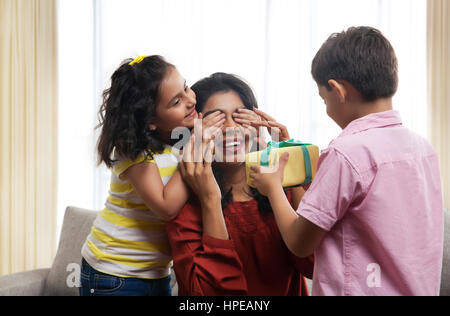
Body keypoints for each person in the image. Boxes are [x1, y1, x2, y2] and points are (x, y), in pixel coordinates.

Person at [249, 26, 444, 296]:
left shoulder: (345, 153)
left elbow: (299, 242)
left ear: (337, 90)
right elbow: (368, 207)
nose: (326, 109)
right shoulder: (423, 148)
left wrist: (272, 188)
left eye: (323, 99)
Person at [79, 55, 225, 296]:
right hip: (114, 272)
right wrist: (195, 143)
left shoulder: (179, 141)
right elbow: (166, 206)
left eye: (186, 87)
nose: (191, 100)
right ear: (150, 121)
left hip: (156, 272)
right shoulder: (133, 151)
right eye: (176, 101)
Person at [166, 72, 314, 296]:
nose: (230, 128)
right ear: (195, 135)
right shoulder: (185, 206)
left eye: (239, 117)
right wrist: (210, 201)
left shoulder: (280, 189)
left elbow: (312, 265)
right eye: (216, 120)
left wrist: (293, 169)